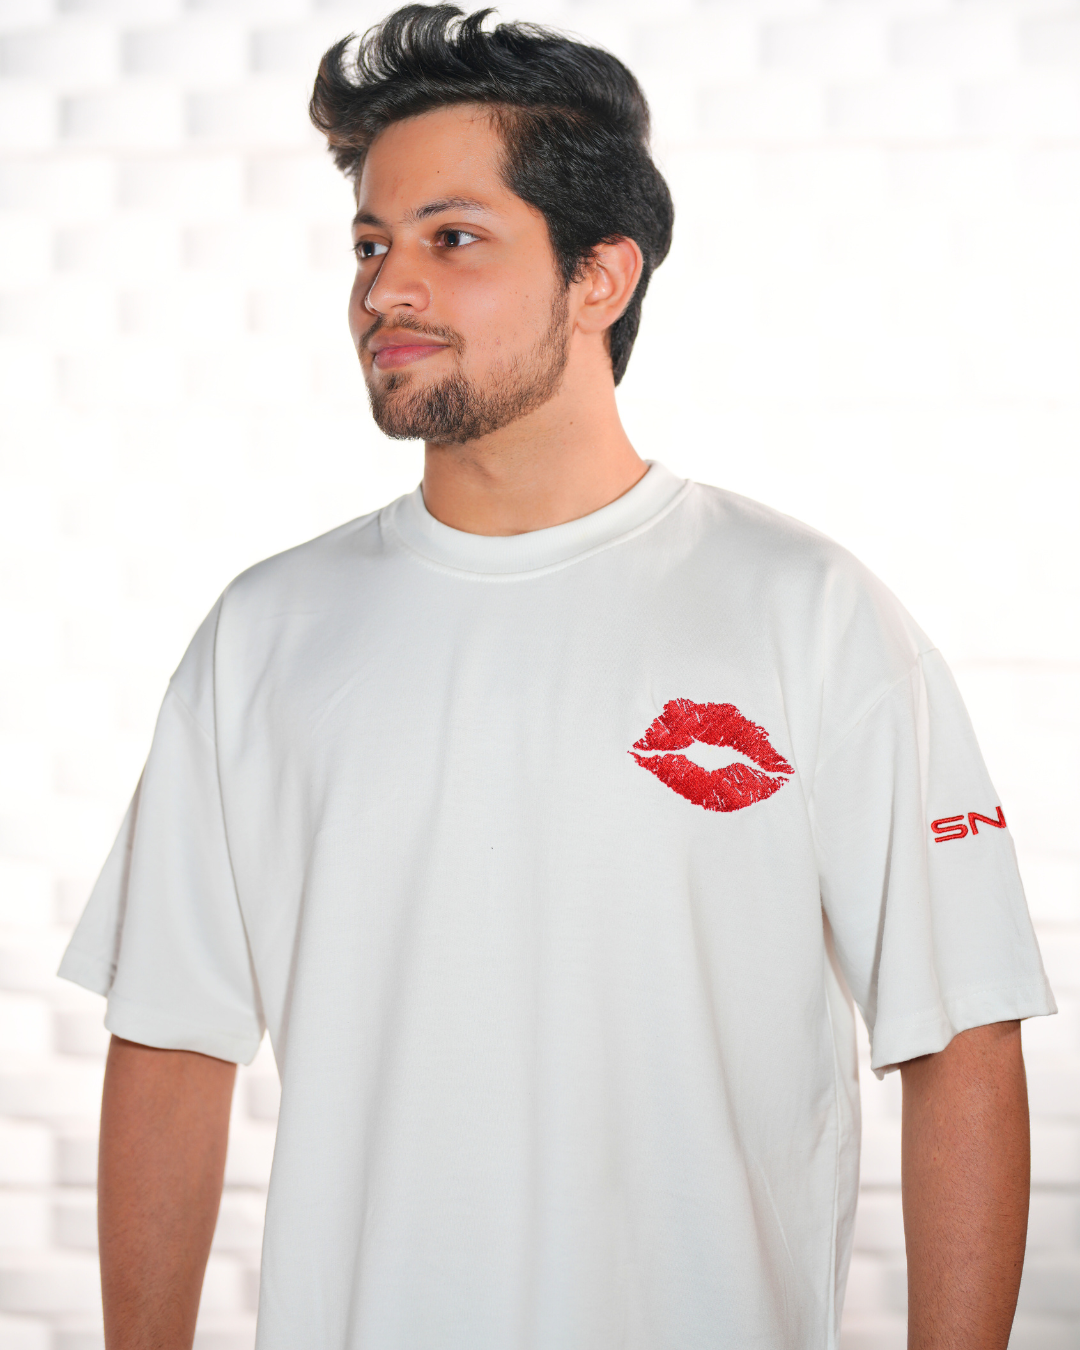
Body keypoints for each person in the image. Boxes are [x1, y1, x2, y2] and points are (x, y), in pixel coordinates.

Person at [60, 7, 1054, 1348]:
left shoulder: (807, 612)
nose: (385, 288)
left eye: (452, 238)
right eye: (371, 242)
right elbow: (173, 1045)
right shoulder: (266, 635)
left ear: (600, 277)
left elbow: (961, 1038)